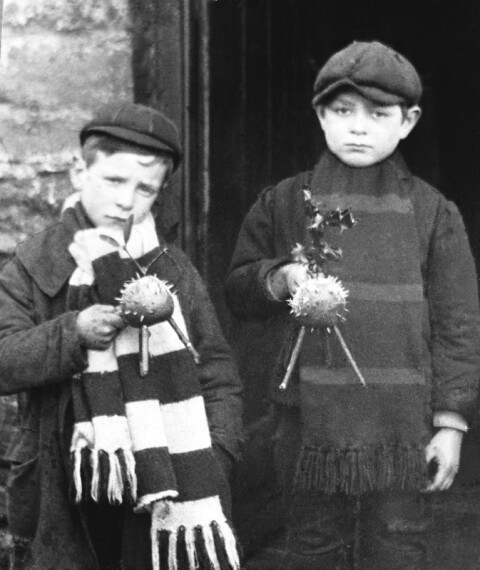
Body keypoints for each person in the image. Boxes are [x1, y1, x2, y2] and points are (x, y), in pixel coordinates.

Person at [225, 41, 480, 569]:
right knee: (313, 544)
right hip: (307, 424)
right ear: (321, 115)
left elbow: (460, 323)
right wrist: (281, 278)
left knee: (397, 546)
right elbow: (239, 290)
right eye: (343, 111)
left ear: (407, 122)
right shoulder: (285, 202)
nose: (358, 127)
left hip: (401, 425)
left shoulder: (433, 213)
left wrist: (451, 425)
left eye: (378, 114)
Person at [0, 102, 243, 570]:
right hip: (62, 484)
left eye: (145, 189)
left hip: (162, 483)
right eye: (114, 181)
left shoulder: (171, 271)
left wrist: (216, 454)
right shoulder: (34, 266)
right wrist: (74, 333)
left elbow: (217, 372)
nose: (126, 201)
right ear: (78, 171)